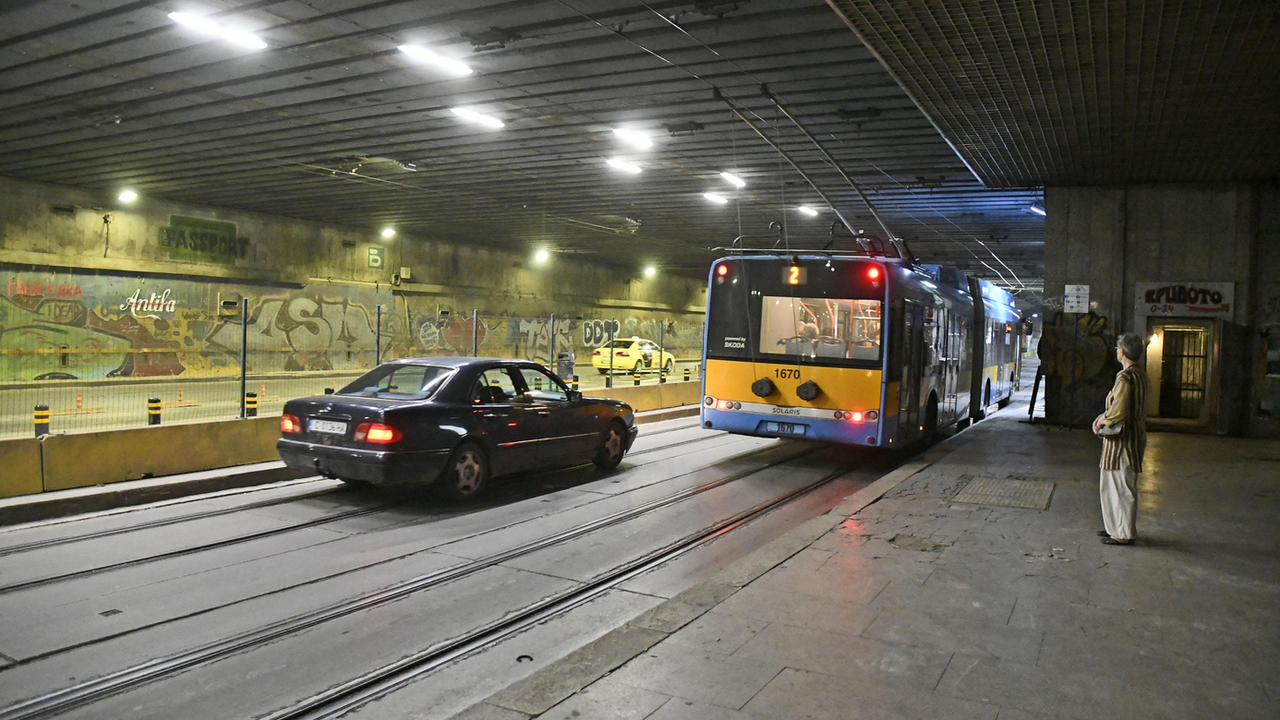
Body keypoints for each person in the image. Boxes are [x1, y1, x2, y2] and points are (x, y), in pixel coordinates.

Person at [1091, 332, 1148, 545]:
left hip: (1121, 443)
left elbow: (1119, 410)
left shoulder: (1125, 377)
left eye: (1117, 349)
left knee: (1120, 487)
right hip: (1134, 438)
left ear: (1122, 352)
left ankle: (1123, 533)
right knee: (1116, 485)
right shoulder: (1140, 374)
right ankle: (1114, 527)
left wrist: (1101, 420)